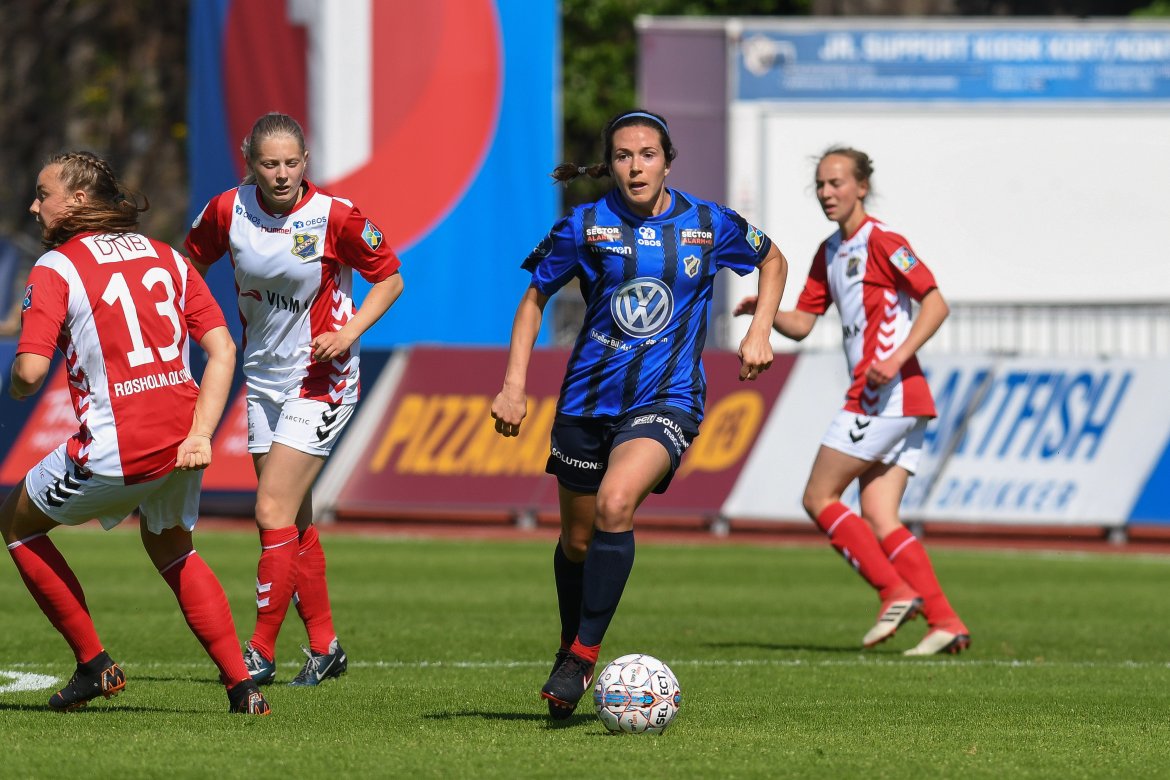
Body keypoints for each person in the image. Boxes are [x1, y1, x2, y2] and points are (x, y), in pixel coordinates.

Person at [491, 109, 788, 718]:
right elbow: (534, 298)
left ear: (667, 162)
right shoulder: (584, 226)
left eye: (647, 154)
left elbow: (773, 260)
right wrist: (513, 386)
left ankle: (582, 656)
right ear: (610, 164)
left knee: (615, 503)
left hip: (667, 398)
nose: (635, 166)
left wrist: (760, 330)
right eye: (623, 156)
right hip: (585, 402)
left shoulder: (707, 223)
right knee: (577, 542)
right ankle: (570, 644)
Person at [1, 150, 269, 714]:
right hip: (182, 439)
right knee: (171, 545)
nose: (33, 206)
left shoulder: (55, 268)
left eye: (43, 194)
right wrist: (201, 434)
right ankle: (243, 688)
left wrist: (18, 389)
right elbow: (223, 349)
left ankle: (94, 664)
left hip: (118, 445)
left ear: (77, 200)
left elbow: (29, 372)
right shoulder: (168, 257)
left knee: (17, 524)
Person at [184, 112, 404, 687]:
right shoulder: (227, 210)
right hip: (261, 379)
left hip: (321, 379)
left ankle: (258, 651)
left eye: (290, 163)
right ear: (249, 162)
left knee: (270, 512)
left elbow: (390, 277)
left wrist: (349, 332)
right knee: (292, 519)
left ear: (305, 161)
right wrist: (207, 328)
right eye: (269, 164)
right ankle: (326, 647)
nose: (281, 174)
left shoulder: (335, 215)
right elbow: (188, 270)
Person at [735, 147, 970, 656]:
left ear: (862, 186)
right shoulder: (829, 252)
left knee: (818, 497)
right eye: (820, 185)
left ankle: (895, 592)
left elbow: (935, 303)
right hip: (898, 400)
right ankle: (945, 621)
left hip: (884, 394)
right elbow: (803, 323)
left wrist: (896, 356)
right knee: (880, 516)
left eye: (836, 183)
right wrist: (766, 312)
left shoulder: (884, 241)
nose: (826, 193)